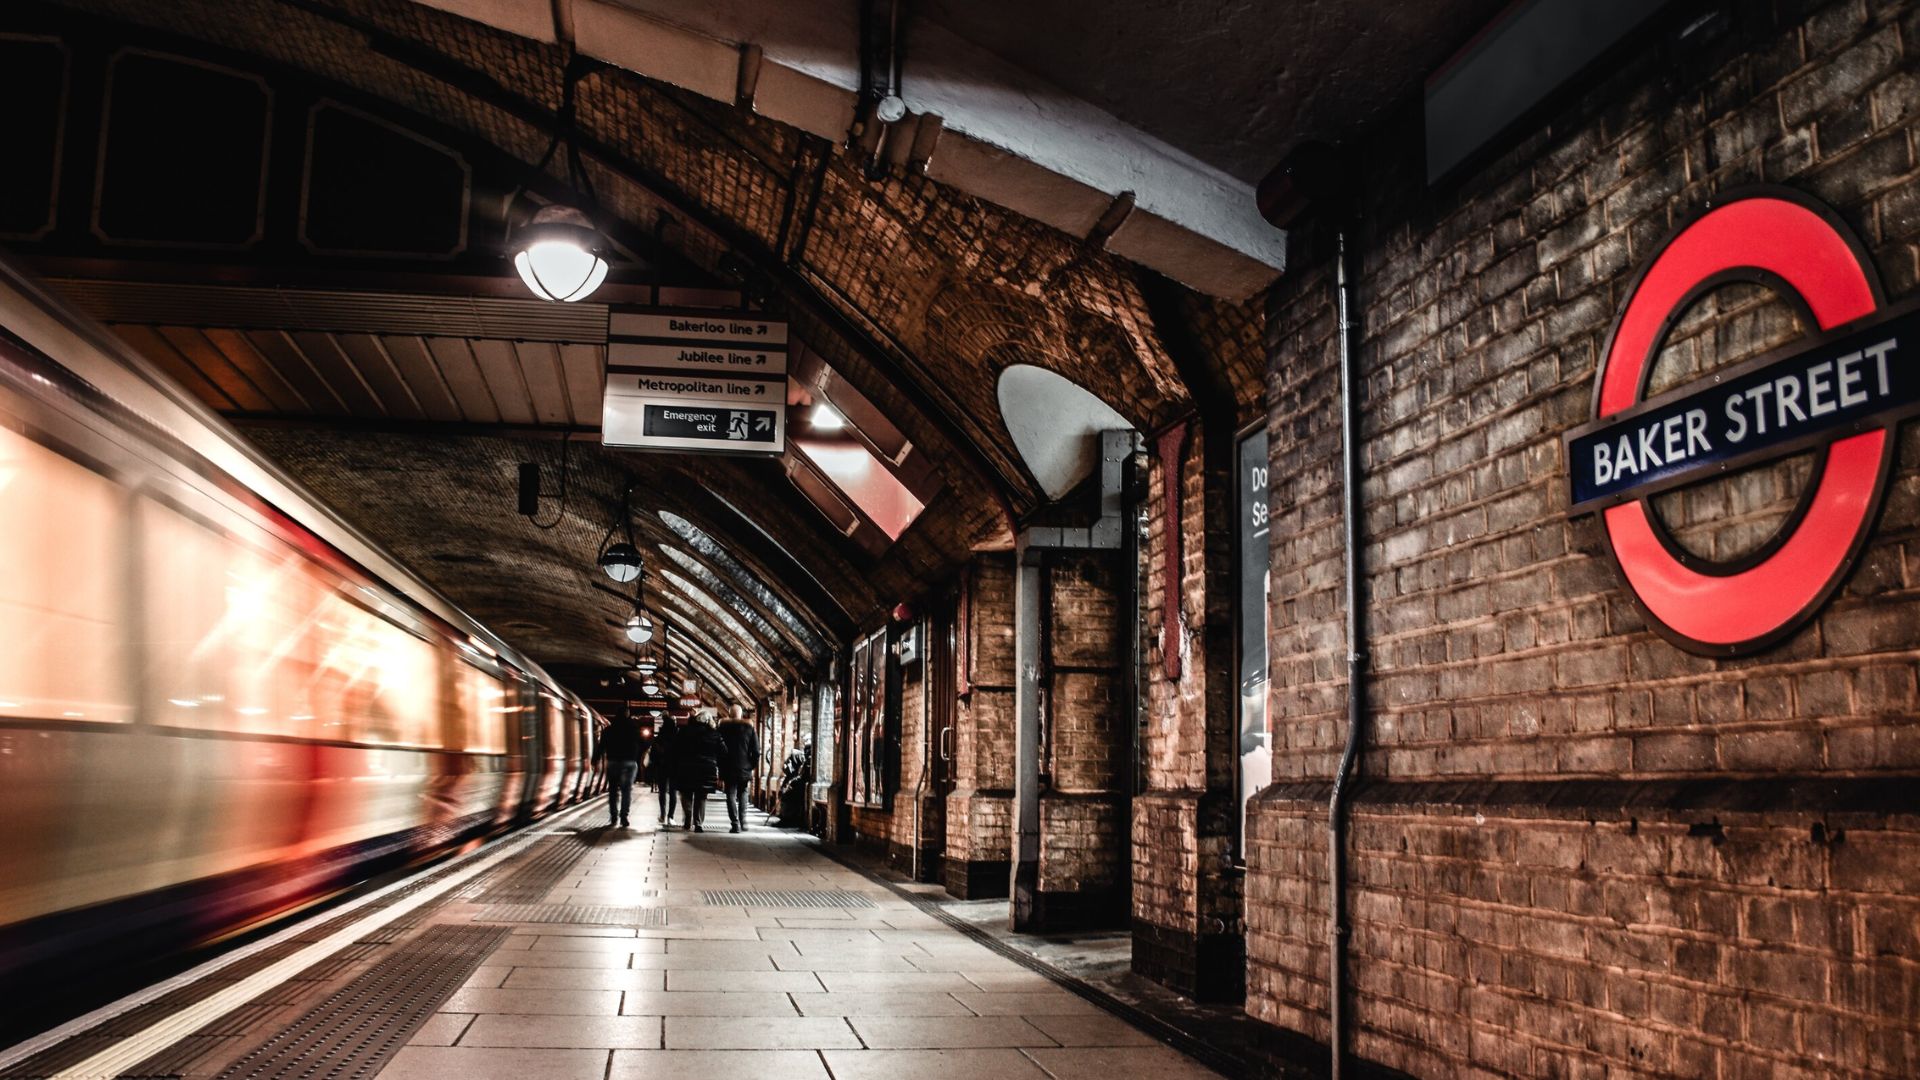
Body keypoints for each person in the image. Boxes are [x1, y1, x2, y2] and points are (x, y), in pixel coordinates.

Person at [673, 708, 724, 832]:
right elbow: (723, 751)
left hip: (686, 767)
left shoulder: (684, 731)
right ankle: (698, 823)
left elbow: (675, 749)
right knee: (701, 796)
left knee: (686, 794)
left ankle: (687, 819)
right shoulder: (714, 734)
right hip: (707, 769)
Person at [594, 712, 643, 827]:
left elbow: (602, 746)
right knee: (626, 790)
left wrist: (595, 759)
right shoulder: (633, 729)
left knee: (613, 791)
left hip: (613, 762)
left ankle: (613, 816)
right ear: (627, 715)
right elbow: (641, 744)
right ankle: (624, 816)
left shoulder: (609, 730)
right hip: (629, 762)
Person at [716, 709, 759, 833]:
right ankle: (743, 821)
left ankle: (735, 824)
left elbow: (718, 749)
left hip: (728, 767)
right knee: (743, 793)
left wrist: (720, 766)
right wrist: (751, 766)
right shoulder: (749, 728)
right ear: (740, 714)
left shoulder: (722, 728)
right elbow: (756, 751)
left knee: (730, 794)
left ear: (729, 714)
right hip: (744, 767)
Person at [646, 716, 678, 825]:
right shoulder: (677, 737)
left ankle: (662, 815)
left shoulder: (659, 738)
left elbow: (653, 754)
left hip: (662, 767)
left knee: (662, 792)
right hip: (674, 768)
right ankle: (671, 817)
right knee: (673, 792)